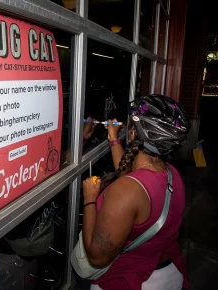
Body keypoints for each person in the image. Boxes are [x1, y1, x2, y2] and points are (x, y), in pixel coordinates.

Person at [81, 94, 191, 290]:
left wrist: (89, 199)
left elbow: (97, 257)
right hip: (166, 273)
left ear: (132, 134)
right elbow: (132, 183)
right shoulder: (172, 175)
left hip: (131, 280)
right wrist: (114, 139)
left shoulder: (126, 192)